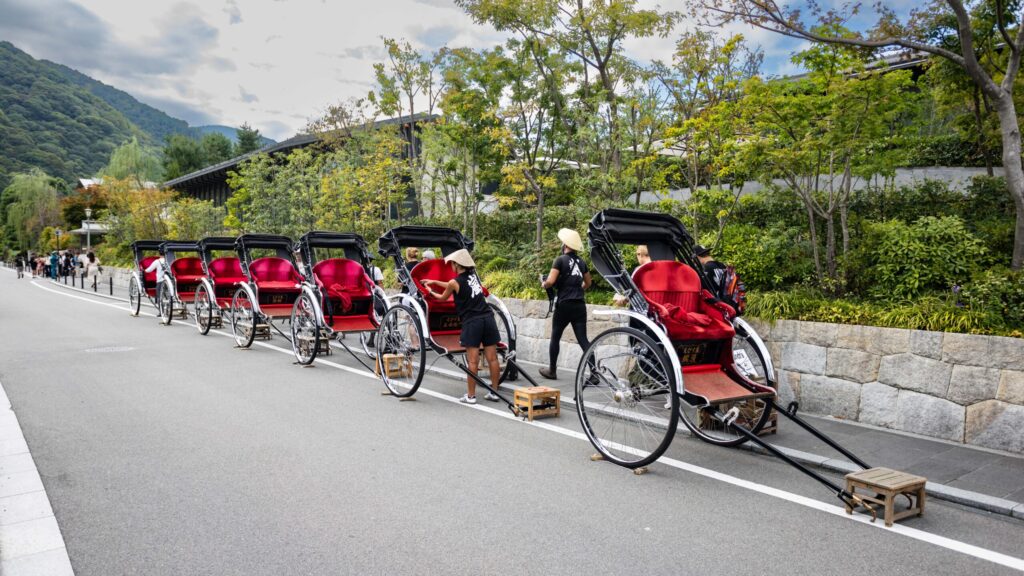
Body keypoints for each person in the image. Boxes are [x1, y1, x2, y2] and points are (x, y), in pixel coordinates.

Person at [421, 248, 501, 405]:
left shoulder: (455, 282)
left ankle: (471, 396)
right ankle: (494, 392)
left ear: (457, 265)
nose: (451, 266)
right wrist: (436, 282)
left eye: (452, 264)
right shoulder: (473, 277)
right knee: (493, 358)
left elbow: (443, 298)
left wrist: (430, 290)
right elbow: (453, 285)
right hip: (488, 318)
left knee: (472, 361)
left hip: (473, 322)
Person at [539, 228, 592, 380]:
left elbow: (550, 281)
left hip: (564, 305)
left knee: (555, 336)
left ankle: (552, 370)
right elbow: (588, 282)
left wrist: (544, 284)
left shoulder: (560, 260)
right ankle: (594, 373)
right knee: (583, 339)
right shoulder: (581, 262)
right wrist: (578, 290)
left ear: (565, 245)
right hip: (579, 305)